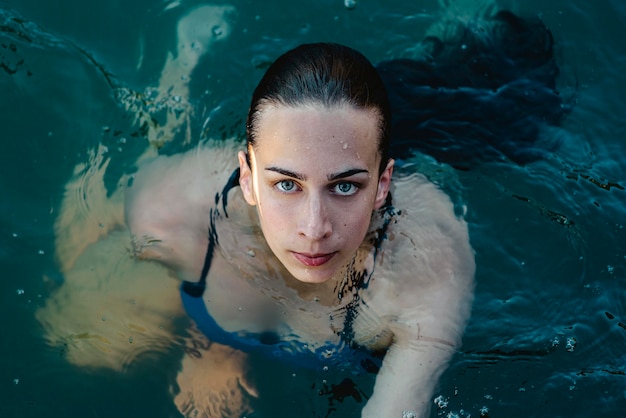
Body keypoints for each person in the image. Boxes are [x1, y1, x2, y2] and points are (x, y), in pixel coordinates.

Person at [125, 42, 475, 417]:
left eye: (345, 186)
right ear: (248, 177)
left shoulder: (427, 271)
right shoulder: (168, 210)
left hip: (467, 131)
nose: (314, 228)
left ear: (382, 184)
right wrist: (210, 346)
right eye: (287, 185)